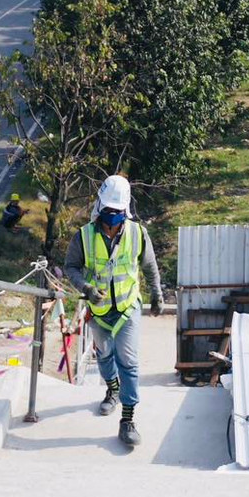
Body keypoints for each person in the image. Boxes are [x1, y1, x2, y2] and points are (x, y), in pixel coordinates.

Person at [64, 175, 164, 447]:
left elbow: (149, 266)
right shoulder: (84, 236)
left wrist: (156, 294)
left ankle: (128, 419)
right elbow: (71, 267)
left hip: (127, 307)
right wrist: (86, 288)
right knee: (105, 354)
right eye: (108, 210)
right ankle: (112, 389)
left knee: (128, 361)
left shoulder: (137, 233)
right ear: (99, 206)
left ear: (125, 210)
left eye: (117, 211)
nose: (111, 216)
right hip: (99, 311)